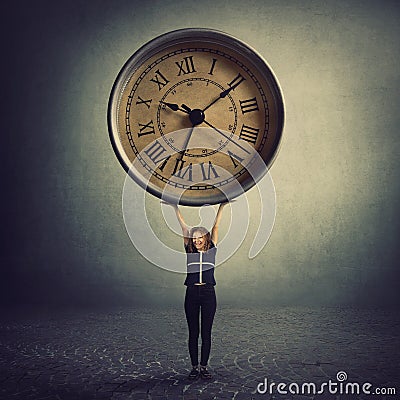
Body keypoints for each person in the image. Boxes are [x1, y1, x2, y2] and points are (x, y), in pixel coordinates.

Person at [167, 202, 227, 380]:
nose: (196, 240)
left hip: (209, 294)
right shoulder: (189, 250)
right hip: (192, 294)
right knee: (193, 332)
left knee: (206, 332)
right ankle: (194, 368)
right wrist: (174, 207)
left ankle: (204, 367)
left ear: (206, 238)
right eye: (194, 238)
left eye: (200, 237)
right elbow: (184, 228)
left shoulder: (212, 250)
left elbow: (216, 226)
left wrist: (222, 206)